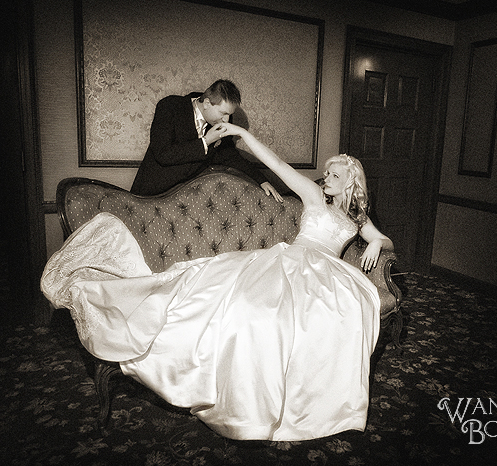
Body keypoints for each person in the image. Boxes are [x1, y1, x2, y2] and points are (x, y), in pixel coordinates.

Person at [41, 123, 393, 441]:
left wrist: (376, 242)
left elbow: (384, 240)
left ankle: (307, 397)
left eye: (334, 174)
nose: (325, 177)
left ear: (350, 181)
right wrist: (243, 134)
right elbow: (276, 164)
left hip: (327, 273)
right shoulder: (314, 197)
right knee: (241, 307)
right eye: (326, 172)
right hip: (290, 261)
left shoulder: (357, 218)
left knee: (331, 314)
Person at [130, 79, 282, 201]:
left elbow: (230, 156)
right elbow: (163, 154)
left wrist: (262, 180)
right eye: (223, 113)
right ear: (207, 103)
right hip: (150, 194)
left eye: (229, 115)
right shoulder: (170, 106)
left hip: (185, 200)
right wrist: (206, 141)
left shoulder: (221, 121)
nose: (226, 120)